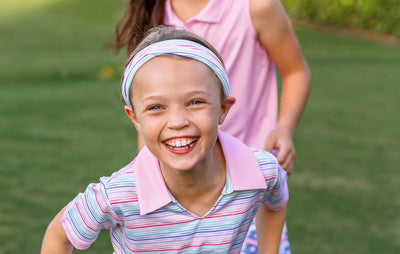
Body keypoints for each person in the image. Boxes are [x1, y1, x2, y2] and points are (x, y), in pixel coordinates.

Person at [41, 26, 289, 254]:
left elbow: (275, 201)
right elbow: (58, 235)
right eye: (157, 107)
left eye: (195, 102)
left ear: (223, 108)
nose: (177, 121)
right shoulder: (117, 194)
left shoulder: (261, 171)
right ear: (134, 117)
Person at [112, 0, 310, 253]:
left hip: (247, 187)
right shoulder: (155, 11)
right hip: (182, 187)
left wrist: (284, 128)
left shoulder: (257, 6)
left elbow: (296, 71)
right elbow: (148, 106)